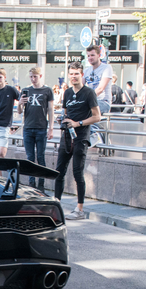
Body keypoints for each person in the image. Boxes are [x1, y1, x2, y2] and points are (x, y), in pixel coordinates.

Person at [54, 62, 101, 221]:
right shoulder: (67, 93)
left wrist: (78, 123)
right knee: (58, 172)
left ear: (82, 75)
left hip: (81, 136)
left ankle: (79, 209)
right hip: (66, 136)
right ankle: (56, 206)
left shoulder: (89, 93)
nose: (74, 76)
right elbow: (66, 112)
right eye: (71, 74)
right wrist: (62, 119)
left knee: (77, 172)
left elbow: (97, 116)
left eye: (76, 74)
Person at [17, 67, 54, 191]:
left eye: (35, 76)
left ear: (40, 76)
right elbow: (19, 111)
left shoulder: (47, 90)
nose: (33, 79)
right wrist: (20, 103)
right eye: (31, 77)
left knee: (41, 156)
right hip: (28, 127)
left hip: (41, 127)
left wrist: (51, 128)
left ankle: (41, 184)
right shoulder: (26, 90)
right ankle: (31, 183)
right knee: (30, 157)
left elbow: (51, 110)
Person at [83, 44, 112, 133]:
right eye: (88, 56)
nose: (90, 58)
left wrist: (86, 100)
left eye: (92, 55)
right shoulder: (86, 70)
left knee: (84, 110)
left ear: (99, 55)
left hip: (103, 102)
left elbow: (101, 88)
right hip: (90, 102)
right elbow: (80, 87)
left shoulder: (106, 68)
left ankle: (93, 135)